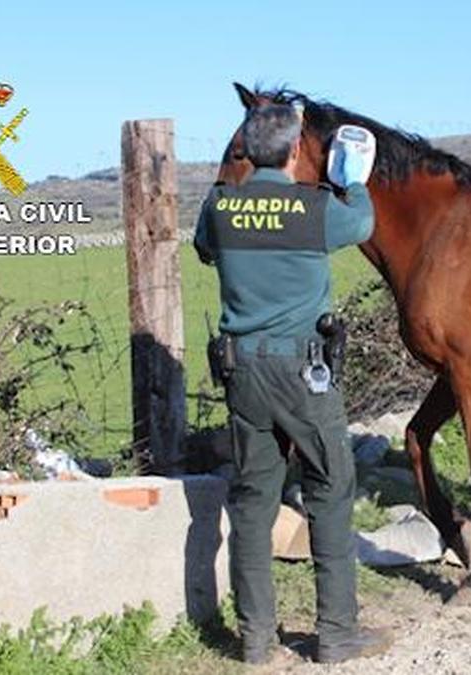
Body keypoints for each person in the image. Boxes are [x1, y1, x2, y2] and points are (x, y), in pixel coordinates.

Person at [193, 103, 391, 665]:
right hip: (305, 374)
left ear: (248, 150)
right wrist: (350, 180)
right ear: (297, 151)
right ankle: (336, 634)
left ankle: (255, 642)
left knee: (253, 503)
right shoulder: (316, 209)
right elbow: (364, 222)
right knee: (330, 486)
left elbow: (206, 248)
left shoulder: (219, 207)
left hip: (243, 373)